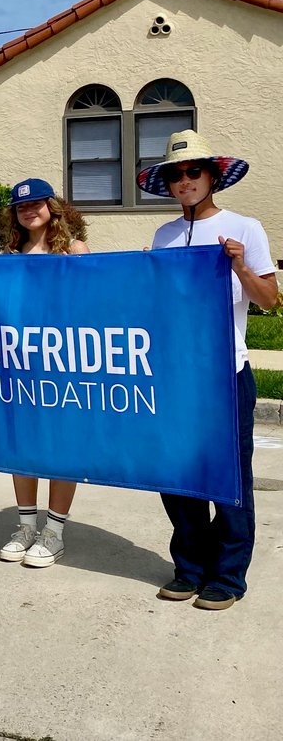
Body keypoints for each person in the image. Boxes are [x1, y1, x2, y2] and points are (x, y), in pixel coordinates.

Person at [139, 130, 275, 610]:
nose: (184, 181)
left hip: (224, 376)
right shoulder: (163, 236)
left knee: (229, 478)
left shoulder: (246, 228)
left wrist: (240, 267)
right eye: (175, 174)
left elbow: (270, 301)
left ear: (213, 176)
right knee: (177, 475)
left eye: (193, 171)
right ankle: (189, 568)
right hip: (175, 377)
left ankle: (228, 577)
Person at [0, 179, 90, 567]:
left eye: (36, 204)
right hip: (18, 364)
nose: (29, 211)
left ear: (52, 207)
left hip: (61, 363)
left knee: (60, 447)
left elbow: (92, 302)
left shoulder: (75, 250)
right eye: (21, 207)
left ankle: (54, 531)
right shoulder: (8, 254)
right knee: (23, 446)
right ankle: (25, 525)